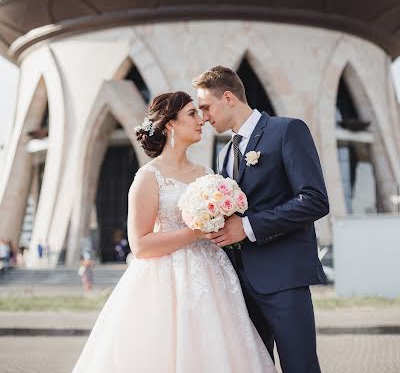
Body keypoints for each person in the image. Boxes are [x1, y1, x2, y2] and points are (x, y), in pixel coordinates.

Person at [72, 91, 276, 372]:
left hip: (213, 277)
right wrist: (195, 232)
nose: (201, 120)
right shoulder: (148, 177)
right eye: (192, 114)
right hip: (164, 281)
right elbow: (141, 245)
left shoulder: (207, 174)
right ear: (170, 124)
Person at [193, 65, 330, 373]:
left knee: (300, 366)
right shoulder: (224, 153)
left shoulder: (287, 130)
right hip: (239, 283)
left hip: (283, 278)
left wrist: (249, 227)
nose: (203, 117)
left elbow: (315, 200)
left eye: (206, 107)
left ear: (228, 97)